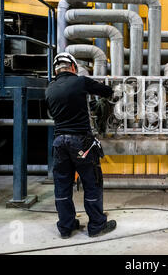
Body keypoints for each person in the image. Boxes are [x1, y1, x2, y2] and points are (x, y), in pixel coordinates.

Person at [45, 52, 116, 239]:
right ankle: (96, 225)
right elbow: (107, 92)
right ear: (73, 67)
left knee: (62, 185)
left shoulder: (49, 89)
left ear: (55, 70)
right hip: (80, 142)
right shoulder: (81, 82)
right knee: (91, 182)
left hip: (59, 142)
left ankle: (66, 227)